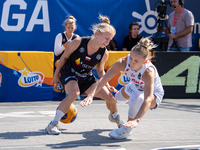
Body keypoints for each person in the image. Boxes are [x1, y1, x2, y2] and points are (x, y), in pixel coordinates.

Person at [45, 15, 124, 135]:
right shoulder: (78, 42)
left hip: (85, 77)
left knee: (111, 98)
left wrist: (107, 85)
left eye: (110, 40)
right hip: (69, 72)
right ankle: (53, 124)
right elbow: (63, 58)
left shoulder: (104, 53)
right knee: (74, 93)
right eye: (106, 38)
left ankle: (115, 117)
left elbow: (100, 71)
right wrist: (56, 75)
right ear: (97, 34)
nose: (107, 42)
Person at [80, 37, 164, 139]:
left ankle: (127, 129)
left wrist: (136, 120)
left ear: (145, 61)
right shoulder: (123, 62)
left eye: (136, 61)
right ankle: (114, 115)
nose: (131, 63)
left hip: (154, 94)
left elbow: (148, 99)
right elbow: (103, 80)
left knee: (136, 98)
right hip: (135, 86)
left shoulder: (148, 72)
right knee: (117, 99)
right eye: (131, 58)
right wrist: (90, 95)